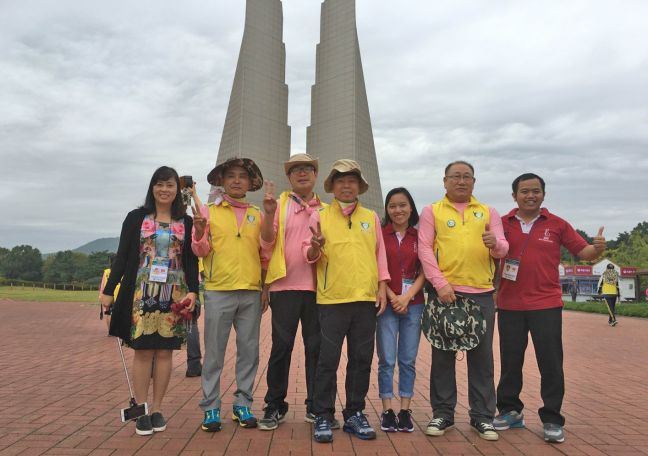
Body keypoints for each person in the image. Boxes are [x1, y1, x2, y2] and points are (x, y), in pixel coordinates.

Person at [494, 173, 606, 444]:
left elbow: (585, 253)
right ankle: (510, 410)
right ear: (514, 196)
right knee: (510, 362)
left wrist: (598, 248)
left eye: (535, 191)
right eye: (524, 191)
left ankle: (552, 418)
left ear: (543, 194)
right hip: (509, 305)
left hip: (546, 305)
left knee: (551, 363)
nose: (530, 195)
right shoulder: (501, 223)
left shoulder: (557, 224)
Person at [100, 166, 199, 436]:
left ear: (177, 191)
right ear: (152, 187)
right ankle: (141, 409)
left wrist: (194, 292)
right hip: (141, 293)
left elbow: (191, 260)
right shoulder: (136, 218)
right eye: (159, 184)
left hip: (174, 294)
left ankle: (157, 408)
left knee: (165, 352)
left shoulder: (186, 222)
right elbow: (122, 256)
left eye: (170, 185)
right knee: (143, 351)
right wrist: (109, 290)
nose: (164, 189)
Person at [418, 160, 508, 441]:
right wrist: (441, 284)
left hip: (480, 294)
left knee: (482, 359)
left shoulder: (488, 212)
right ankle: (443, 413)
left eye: (466, 176)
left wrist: (496, 245)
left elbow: (503, 247)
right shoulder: (432, 211)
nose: (461, 181)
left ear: (474, 182)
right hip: (445, 294)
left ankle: (482, 416)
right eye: (455, 176)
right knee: (442, 355)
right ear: (444, 181)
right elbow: (424, 249)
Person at [306, 159, 389, 443]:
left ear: (359, 186)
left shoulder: (371, 217)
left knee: (361, 360)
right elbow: (310, 256)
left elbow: (380, 255)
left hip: (365, 300)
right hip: (331, 301)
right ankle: (322, 415)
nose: (346, 185)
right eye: (340, 180)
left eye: (351, 180)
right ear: (332, 186)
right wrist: (315, 248)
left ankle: (354, 413)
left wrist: (381, 287)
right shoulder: (320, 216)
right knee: (327, 361)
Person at [191, 157, 268, 432]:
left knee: (249, 352)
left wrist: (265, 288)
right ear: (222, 181)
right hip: (218, 290)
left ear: (250, 183)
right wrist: (200, 232)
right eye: (231, 176)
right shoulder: (207, 211)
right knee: (214, 353)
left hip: (250, 291)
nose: (237, 180)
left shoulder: (257, 214)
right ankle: (211, 407)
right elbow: (199, 251)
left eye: (242, 176)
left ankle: (242, 403)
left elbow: (265, 255)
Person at [257, 154, 327, 431]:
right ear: (289, 177)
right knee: (281, 348)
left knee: (316, 349)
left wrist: (316, 249)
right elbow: (266, 242)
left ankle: (316, 405)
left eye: (307, 169)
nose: (302, 173)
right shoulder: (279, 204)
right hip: (284, 286)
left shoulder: (326, 209)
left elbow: (323, 249)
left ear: (315, 174)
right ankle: (275, 404)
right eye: (296, 170)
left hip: (317, 290)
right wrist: (269, 214)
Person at [376, 188, 425, 433]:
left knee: (407, 360)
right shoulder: (380, 234)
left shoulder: (420, 235)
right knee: (386, 359)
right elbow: (377, 267)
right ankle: (387, 409)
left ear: (411, 207)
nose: (398, 210)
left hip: (413, 305)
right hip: (386, 304)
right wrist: (394, 297)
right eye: (392, 206)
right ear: (387, 209)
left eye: (403, 205)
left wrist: (407, 297)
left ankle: (405, 410)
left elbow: (425, 270)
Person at [99, 255, 120, 332]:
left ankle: (110, 331)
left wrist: (101, 295)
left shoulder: (107, 271)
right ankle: (116, 329)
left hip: (107, 293)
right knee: (117, 312)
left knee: (108, 313)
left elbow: (102, 285)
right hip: (118, 293)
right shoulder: (120, 270)